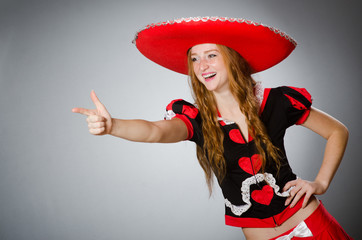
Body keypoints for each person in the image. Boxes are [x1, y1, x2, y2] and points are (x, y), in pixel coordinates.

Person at [72, 17, 352, 239]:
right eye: (194, 58)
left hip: (312, 225)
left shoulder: (277, 102)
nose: (201, 65)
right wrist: (113, 126)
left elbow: (337, 131)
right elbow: (154, 131)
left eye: (211, 55)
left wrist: (320, 183)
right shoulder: (197, 121)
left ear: (231, 58)